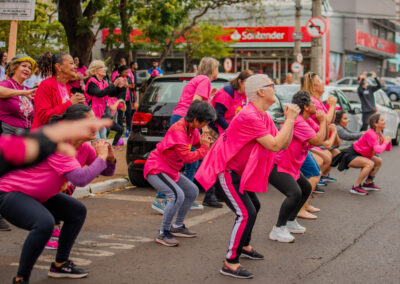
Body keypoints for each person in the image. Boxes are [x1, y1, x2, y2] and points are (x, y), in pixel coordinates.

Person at [195, 74, 300, 279]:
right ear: (261, 92)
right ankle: (230, 262)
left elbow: (281, 143)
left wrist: (290, 123)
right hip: (225, 170)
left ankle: (244, 246)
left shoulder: (263, 115)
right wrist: (290, 119)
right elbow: (275, 144)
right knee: (245, 212)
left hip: (238, 171)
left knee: (254, 207)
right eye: (271, 85)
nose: (275, 87)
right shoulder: (249, 116)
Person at [0, 105, 116, 283]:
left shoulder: (84, 149)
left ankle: (60, 264)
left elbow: (106, 172)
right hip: (11, 193)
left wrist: (110, 159)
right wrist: (101, 157)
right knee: (44, 223)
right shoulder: (58, 147)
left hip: (39, 195)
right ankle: (21, 278)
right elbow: (80, 178)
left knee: (76, 211)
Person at [152, 57, 219, 214]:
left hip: (182, 118)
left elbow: (195, 101)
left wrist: (208, 98)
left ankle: (186, 197)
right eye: (217, 68)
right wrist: (204, 128)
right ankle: (161, 198)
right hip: (187, 120)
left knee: (191, 161)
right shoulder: (204, 80)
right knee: (177, 159)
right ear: (212, 69)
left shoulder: (197, 79)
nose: (218, 71)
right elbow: (196, 104)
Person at [144, 101, 216, 247]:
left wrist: (208, 143)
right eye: (205, 122)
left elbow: (197, 144)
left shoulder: (191, 128)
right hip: (156, 169)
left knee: (192, 191)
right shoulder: (179, 130)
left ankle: (177, 226)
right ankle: (163, 232)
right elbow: (187, 157)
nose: (206, 125)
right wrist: (204, 148)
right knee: (177, 195)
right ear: (196, 120)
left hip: (170, 170)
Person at [269, 91, 327, 242]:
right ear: (306, 107)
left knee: (306, 188)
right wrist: (323, 121)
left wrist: (323, 122)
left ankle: (290, 222)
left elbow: (323, 136)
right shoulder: (299, 121)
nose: (316, 105)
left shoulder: (306, 120)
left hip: (291, 166)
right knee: (294, 193)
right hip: (278, 164)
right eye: (313, 103)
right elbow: (318, 140)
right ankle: (278, 229)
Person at [204, 69, 253, 208]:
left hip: (228, 133)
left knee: (224, 164)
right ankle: (209, 196)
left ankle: (221, 194)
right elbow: (217, 116)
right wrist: (231, 130)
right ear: (239, 81)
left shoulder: (243, 95)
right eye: (247, 84)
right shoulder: (226, 93)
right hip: (215, 131)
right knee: (214, 164)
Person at [332, 113, 391, 195]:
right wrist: (386, 142)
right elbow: (378, 150)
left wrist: (388, 142)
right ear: (375, 124)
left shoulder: (379, 133)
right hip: (351, 154)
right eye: (382, 120)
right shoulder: (371, 134)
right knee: (370, 163)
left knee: (378, 161)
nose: (384, 122)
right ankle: (356, 187)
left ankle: (368, 183)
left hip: (361, 154)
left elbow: (387, 149)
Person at [302, 72, 340, 187]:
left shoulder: (318, 100)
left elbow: (330, 119)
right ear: (313, 86)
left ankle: (317, 180)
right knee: (324, 158)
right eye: (319, 81)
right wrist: (332, 106)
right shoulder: (313, 100)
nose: (323, 83)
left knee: (334, 154)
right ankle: (311, 182)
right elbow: (326, 121)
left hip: (320, 138)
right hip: (313, 140)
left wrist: (331, 106)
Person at [31, 53, 86, 129]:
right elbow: (44, 117)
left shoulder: (68, 88)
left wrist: (80, 106)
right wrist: (70, 103)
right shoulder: (46, 85)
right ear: (58, 67)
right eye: (71, 63)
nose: (75, 67)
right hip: (45, 138)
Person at [84, 60, 125, 139]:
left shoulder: (103, 82)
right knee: (98, 140)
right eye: (102, 67)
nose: (105, 69)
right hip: (92, 115)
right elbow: (100, 94)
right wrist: (114, 84)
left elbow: (110, 94)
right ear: (95, 70)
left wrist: (120, 87)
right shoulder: (92, 81)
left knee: (103, 139)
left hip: (101, 115)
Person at [0, 54, 37, 134]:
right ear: (14, 68)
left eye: (29, 68)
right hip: (7, 135)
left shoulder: (27, 89)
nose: (27, 69)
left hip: (24, 134)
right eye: (24, 66)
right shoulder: (6, 84)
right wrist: (24, 93)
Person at [114, 65, 135, 135]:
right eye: (125, 72)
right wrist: (125, 86)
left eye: (127, 72)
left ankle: (129, 128)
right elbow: (117, 88)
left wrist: (131, 86)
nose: (127, 73)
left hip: (128, 99)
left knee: (129, 114)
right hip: (121, 99)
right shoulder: (118, 78)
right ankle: (120, 128)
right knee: (120, 114)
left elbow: (132, 86)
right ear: (121, 72)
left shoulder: (128, 78)